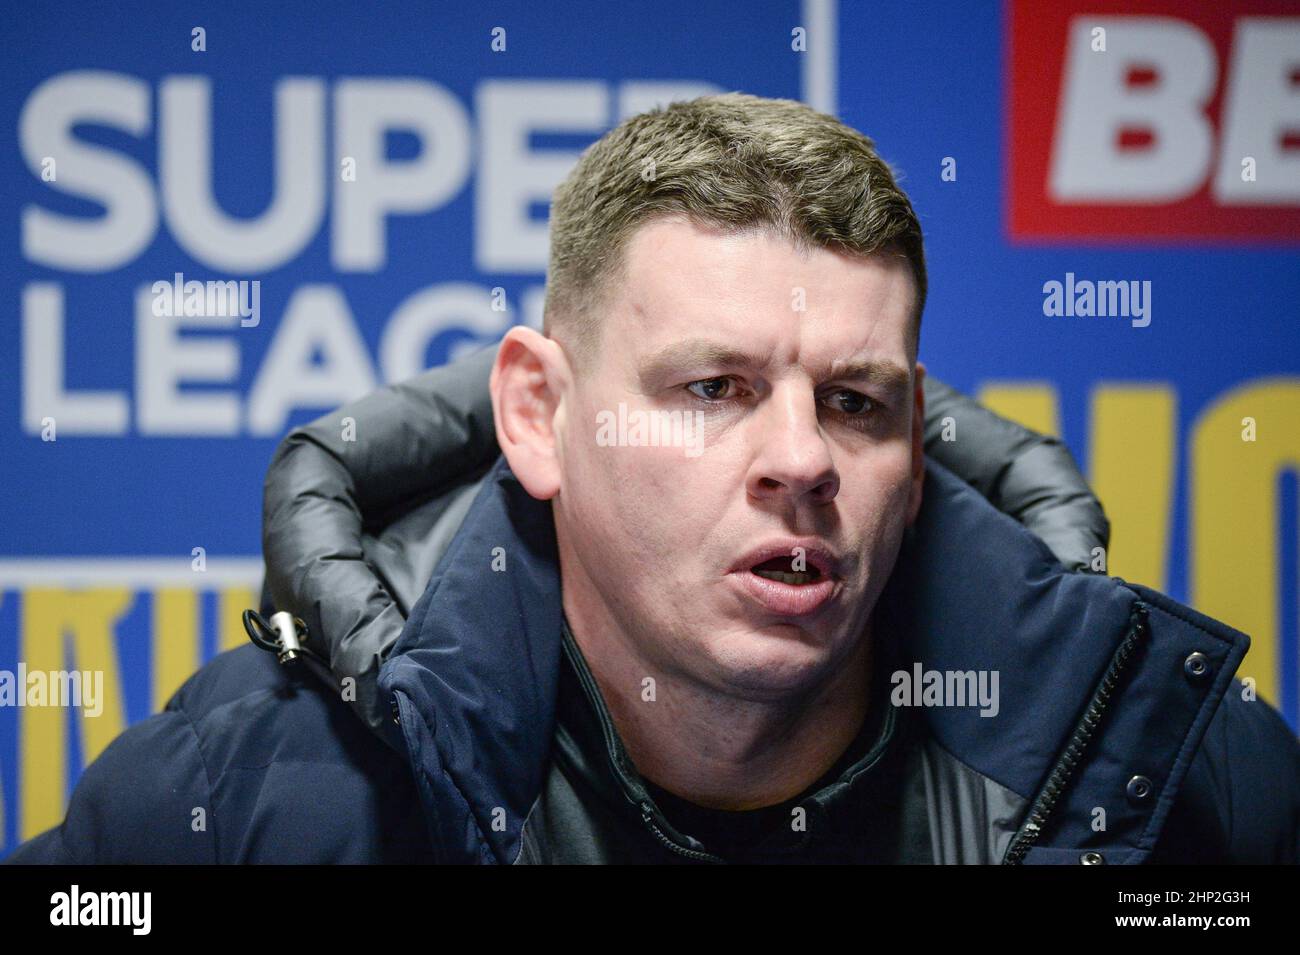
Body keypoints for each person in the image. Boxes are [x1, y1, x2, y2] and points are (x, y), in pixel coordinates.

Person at [9, 93, 1297, 864]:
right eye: (711, 390)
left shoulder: (1185, 778)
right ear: (537, 416)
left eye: (855, 402)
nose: (800, 461)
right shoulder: (242, 797)